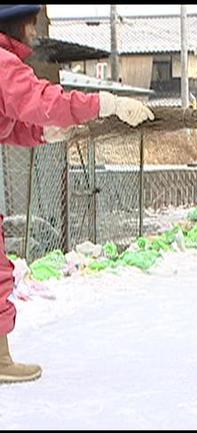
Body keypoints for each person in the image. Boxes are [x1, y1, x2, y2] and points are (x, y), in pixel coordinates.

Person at [0, 4, 154, 383]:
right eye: (32, 25)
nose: (35, 35)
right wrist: (105, 103)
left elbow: (10, 124)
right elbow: (44, 101)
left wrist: (42, 133)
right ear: (15, 23)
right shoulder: (2, 63)